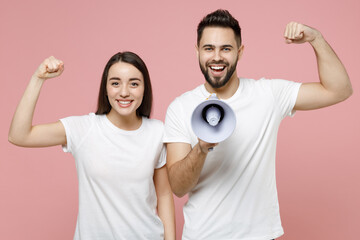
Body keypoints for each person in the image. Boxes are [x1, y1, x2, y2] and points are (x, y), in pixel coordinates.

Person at [164, 9, 352, 240]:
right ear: (197, 52)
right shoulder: (180, 108)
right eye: (209, 48)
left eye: (226, 48)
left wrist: (316, 39)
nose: (217, 57)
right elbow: (178, 187)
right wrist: (201, 148)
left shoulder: (268, 94)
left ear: (240, 52)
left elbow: (339, 90)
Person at [8, 52, 176, 240]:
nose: (124, 92)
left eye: (134, 83)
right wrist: (37, 79)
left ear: (145, 89)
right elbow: (18, 136)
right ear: (105, 88)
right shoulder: (83, 129)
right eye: (115, 83)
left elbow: (164, 195)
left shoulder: (157, 132)